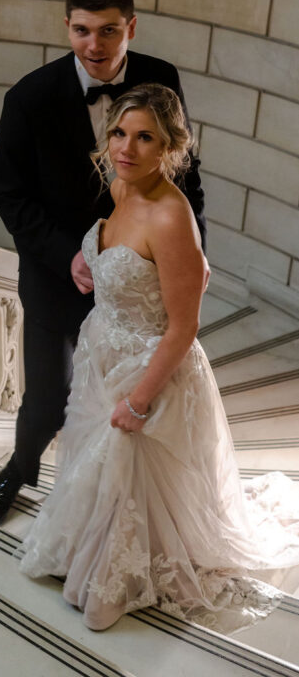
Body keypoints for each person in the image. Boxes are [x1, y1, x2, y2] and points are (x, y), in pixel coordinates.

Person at [18, 84, 299, 632]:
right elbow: (136, 266)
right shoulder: (124, 190)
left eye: (145, 137)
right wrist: (90, 263)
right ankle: (90, 558)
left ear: (170, 147)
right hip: (103, 354)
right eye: (120, 133)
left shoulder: (171, 215)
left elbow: (184, 325)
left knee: (129, 475)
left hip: (149, 374)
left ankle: (112, 584)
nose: (127, 148)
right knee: (96, 471)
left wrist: (140, 400)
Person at [0, 0, 206, 524]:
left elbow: (185, 173)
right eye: (81, 30)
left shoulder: (161, 77)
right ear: (66, 26)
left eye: (107, 30)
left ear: (131, 27)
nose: (93, 45)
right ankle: (21, 466)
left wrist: (189, 252)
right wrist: (67, 255)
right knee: (49, 398)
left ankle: (128, 504)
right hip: (61, 277)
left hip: (136, 281)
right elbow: (7, 194)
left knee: (129, 394)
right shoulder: (29, 98)